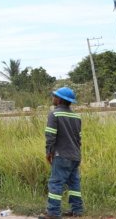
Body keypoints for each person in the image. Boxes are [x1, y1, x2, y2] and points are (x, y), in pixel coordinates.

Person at [41, 86, 83, 218]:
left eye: (55, 96)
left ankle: (53, 212)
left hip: (61, 155)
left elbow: (50, 136)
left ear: (59, 100)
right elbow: (78, 137)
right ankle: (77, 210)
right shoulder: (77, 116)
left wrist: (49, 153)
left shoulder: (54, 114)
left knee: (56, 183)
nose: (53, 98)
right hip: (75, 155)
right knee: (74, 183)